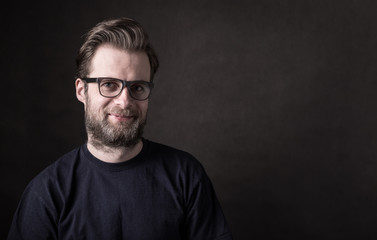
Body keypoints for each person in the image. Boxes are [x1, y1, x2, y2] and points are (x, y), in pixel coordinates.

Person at [7, 17, 232, 240]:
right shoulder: (46, 193)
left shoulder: (186, 176)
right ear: (81, 90)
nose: (125, 101)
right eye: (109, 85)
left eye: (137, 87)